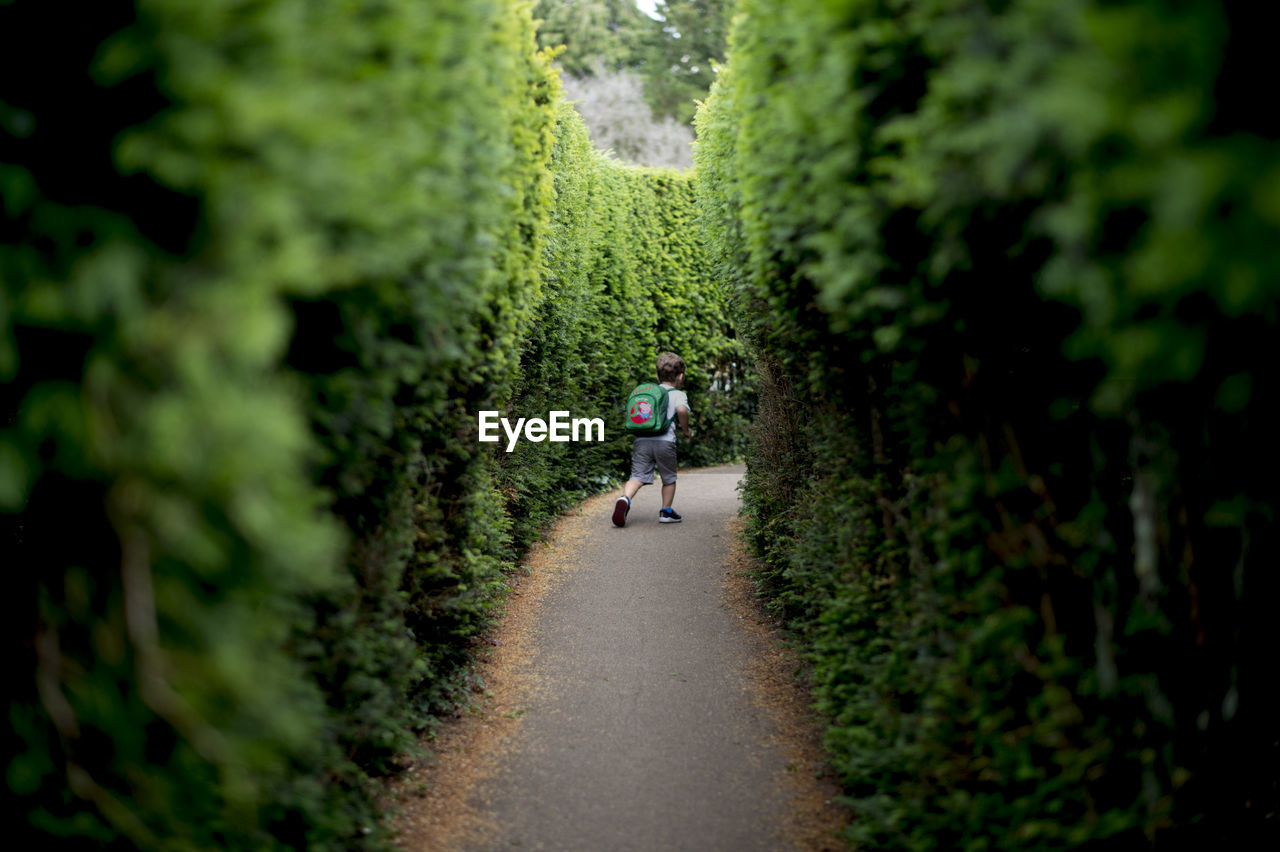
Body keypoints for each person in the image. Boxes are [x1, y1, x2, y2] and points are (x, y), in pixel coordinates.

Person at [612, 352, 692, 526]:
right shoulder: (678, 394)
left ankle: (625, 498)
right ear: (680, 376)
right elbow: (682, 411)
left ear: (657, 376)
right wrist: (685, 429)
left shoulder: (651, 393)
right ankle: (666, 511)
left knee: (637, 476)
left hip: (642, 440)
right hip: (665, 442)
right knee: (669, 478)